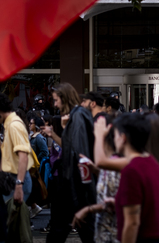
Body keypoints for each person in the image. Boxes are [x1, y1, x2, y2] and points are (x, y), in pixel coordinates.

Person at [94, 113, 159, 242]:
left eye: (116, 134)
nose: (114, 138)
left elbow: (132, 224)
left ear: (123, 138)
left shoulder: (131, 170)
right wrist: (119, 203)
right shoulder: (151, 162)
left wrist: (99, 135)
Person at [46, 83, 96, 243]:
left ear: (64, 98)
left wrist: (83, 188)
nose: (55, 104)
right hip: (74, 186)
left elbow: (80, 154)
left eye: (56, 100)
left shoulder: (78, 117)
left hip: (74, 186)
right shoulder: (77, 117)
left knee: (62, 232)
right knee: (68, 231)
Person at [72, 114, 120, 243]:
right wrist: (95, 170)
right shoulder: (111, 164)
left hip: (114, 234)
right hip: (105, 232)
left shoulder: (115, 163)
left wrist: (88, 209)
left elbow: (117, 202)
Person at [0, 93, 34, 242]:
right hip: (12, 181)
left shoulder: (14, 125)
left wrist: (19, 185)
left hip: (16, 181)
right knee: (10, 225)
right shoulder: (9, 124)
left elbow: (23, 155)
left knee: (11, 225)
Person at [27, 116, 49, 218]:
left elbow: (45, 152)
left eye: (31, 123)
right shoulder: (32, 137)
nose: (29, 125)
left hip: (36, 166)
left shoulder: (39, 138)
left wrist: (36, 158)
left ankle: (34, 207)